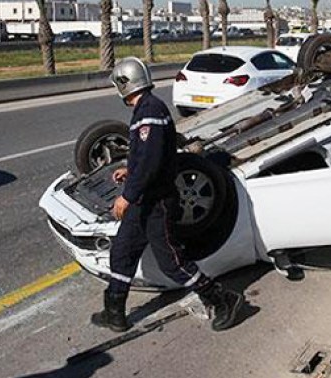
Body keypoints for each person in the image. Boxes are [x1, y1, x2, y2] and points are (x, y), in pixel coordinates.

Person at [91, 57, 243, 333]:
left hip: (157, 203)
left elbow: (151, 162)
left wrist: (127, 195)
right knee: (122, 251)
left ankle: (223, 299)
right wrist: (129, 169)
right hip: (143, 202)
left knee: (171, 262)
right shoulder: (146, 110)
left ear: (125, 84)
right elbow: (152, 155)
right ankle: (114, 311)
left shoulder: (150, 111)